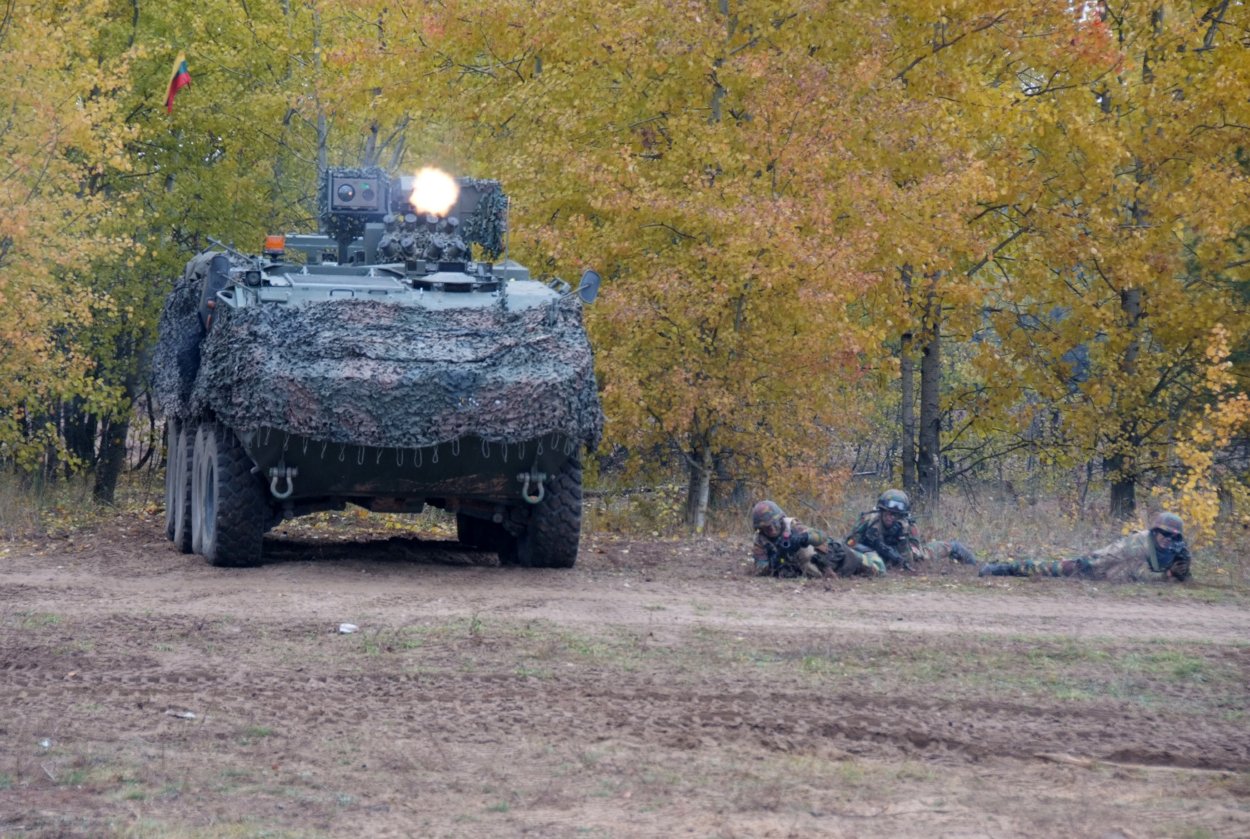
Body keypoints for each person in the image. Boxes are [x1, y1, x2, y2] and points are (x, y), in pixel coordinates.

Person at [978, 511, 1192, 582]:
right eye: (1163, 534)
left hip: (1116, 574)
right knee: (1049, 568)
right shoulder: (1138, 544)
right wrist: (1168, 575)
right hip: (1097, 566)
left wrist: (1180, 572)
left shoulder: (1175, 550)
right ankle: (1001, 569)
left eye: (1172, 536)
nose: (1167, 539)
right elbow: (1140, 574)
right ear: (1155, 532)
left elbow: (1181, 573)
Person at [845, 489, 977, 571]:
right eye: (888, 513)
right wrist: (867, 546)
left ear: (901, 516)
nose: (891, 517)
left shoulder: (908, 527)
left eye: (895, 515)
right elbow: (850, 542)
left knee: (923, 556)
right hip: (871, 550)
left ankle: (953, 547)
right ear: (882, 511)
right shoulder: (869, 520)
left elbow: (910, 558)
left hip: (902, 549)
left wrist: (901, 539)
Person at [749, 500, 844, 578]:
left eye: (774, 524)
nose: (772, 529)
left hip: (836, 554)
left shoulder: (792, 526)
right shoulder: (760, 541)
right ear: (760, 529)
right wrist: (777, 558)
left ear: (780, 520)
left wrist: (804, 538)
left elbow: (822, 537)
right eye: (767, 528)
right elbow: (760, 569)